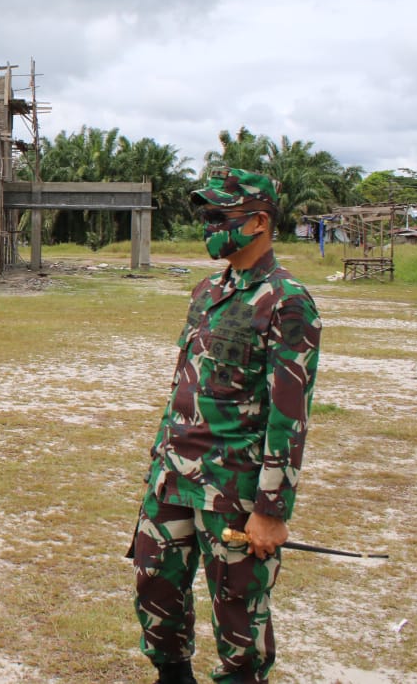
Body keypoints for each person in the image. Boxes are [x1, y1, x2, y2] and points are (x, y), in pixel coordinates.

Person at [132, 167, 321, 684]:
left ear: (259, 221)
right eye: (205, 216)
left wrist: (272, 510)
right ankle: (172, 674)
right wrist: (157, 462)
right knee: (154, 585)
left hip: (233, 486)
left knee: (239, 610)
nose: (208, 227)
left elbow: (289, 418)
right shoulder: (207, 291)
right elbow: (182, 387)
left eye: (219, 217)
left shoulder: (288, 301)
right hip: (173, 476)